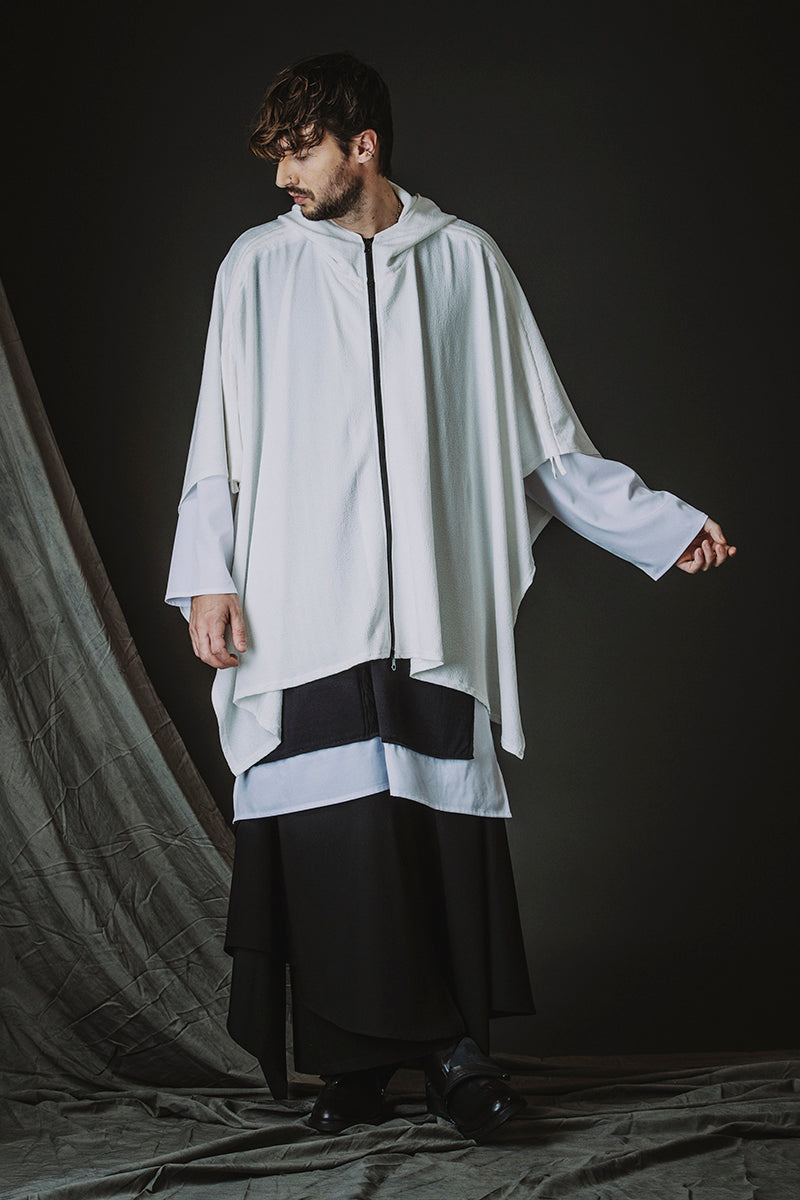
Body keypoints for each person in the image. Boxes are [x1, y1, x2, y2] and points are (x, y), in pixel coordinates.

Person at [165, 51, 735, 1142]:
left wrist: (660, 528)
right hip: (301, 597)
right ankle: (354, 1065)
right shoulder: (256, 268)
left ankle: (458, 1061)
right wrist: (208, 576)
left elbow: (544, 441)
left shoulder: (465, 261)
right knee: (329, 832)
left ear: (363, 146)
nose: (283, 175)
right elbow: (215, 444)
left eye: (301, 152)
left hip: (429, 604)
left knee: (430, 827)